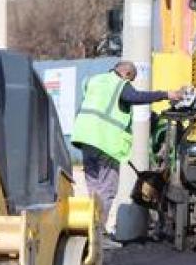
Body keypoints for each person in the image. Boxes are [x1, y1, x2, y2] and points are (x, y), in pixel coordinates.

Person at [70, 61, 187, 235]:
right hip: (105, 142)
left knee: (94, 189)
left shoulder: (94, 80)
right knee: (106, 189)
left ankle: (90, 230)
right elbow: (135, 97)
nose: (130, 84)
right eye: (131, 79)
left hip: (85, 138)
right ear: (126, 73)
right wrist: (166, 94)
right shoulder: (119, 84)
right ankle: (99, 234)